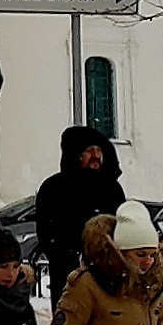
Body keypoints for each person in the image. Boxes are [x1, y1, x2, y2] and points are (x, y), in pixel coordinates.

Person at [35, 125, 125, 298]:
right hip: (69, 276)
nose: (96, 156)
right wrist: (71, 256)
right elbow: (47, 234)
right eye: (89, 150)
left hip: (108, 276)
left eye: (99, 150)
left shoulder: (112, 189)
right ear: (76, 154)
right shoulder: (54, 188)